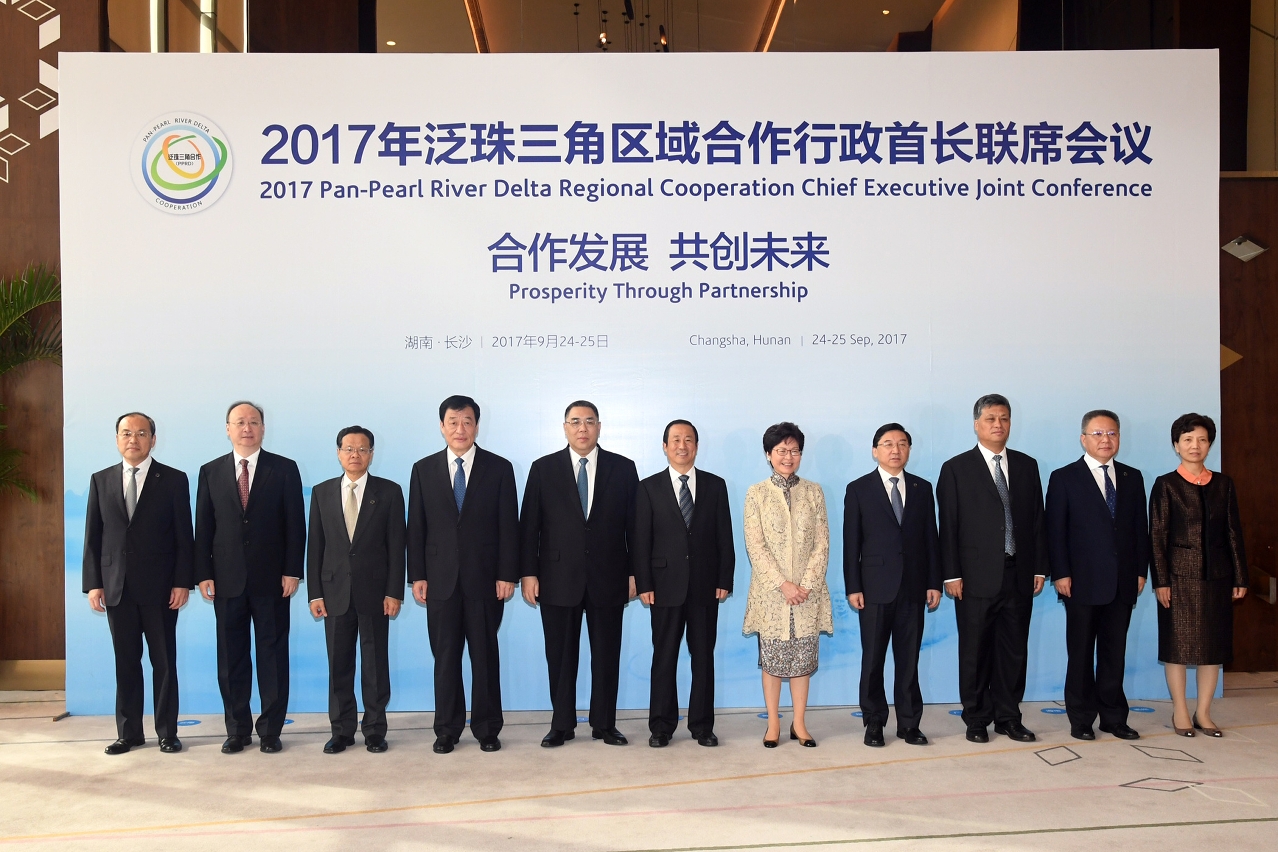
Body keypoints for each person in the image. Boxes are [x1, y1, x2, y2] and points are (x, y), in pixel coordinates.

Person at [520, 400, 639, 747]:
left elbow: (635, 527)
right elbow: (530, 526)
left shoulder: (623, 468)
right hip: (557, 577)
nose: (582, 428)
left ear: (599, 427)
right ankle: (562, 724)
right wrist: (528, 573)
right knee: (560, 655)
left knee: (606, 654)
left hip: (610, 575)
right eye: (575, 422)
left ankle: (605, 724)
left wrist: (635, 574)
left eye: (589, 421)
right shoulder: (543, 469)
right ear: (565, 427)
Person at [408, 396, 519, 754]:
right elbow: (417, 527)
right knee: (445, 657)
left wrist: (507, 574)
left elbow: (508, 527)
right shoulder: (422, 469)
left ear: (476, 426)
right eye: (453, 421)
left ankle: (487, 728)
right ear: (442, 426)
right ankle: (447, 729)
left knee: (485, 656)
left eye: (467, 421)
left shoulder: (499, 468)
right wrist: (417, 575)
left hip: (486, 580)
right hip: (439, 581)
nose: (460, 429)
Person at [195, 401, 306, 754]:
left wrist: (292, 570)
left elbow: (295, 525)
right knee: (231, 659)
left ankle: (271, 730)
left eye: (254, 422)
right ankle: (237, 729)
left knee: (273, 657)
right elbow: (204, 527)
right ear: (227, 428)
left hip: (273, 580)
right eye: (240, 422)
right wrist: (203, 574)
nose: (247, 428)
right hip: (226, 581)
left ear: (263, 428)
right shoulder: (210, 471)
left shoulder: (284, 469)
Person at [937, 394, 1048, 744]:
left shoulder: (1028, 465)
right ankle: (975, 719)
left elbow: (1036, 521)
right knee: (975, 651)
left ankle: (1009, 717)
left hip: (1019, 573)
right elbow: (949, 525)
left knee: (1014, 650)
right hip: (973, 578)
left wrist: (1040, 567)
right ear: (976, 424)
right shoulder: (955, 468)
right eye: (990, 419)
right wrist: (951, 573)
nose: (997, 424)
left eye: (1004, 418)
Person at [82, 413, 194, 755]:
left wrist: (182, 583)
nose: (134, 439)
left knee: (163, 663)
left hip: (161, 589)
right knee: (125, 662)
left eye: (141, 433)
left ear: (153, 439)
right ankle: (128, 733)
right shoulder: (101, 480)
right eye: (127, 433)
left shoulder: (174, 480)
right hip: (117, 587)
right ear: (117, 439)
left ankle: (167, 732)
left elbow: (183, 537)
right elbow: (93, 535)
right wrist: (94, 584)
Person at [1045, 410, 1149, 741]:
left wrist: (1139, 571)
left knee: (1113, 653)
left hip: (1122, 582)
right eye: (1098, 433)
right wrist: (1060, 573)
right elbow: (1055, 531)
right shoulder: (1064, 477)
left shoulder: (1133, 477)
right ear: (1084, 438)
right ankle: (1081, 718)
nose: (1106, 440)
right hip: (1080, 582)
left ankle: (1114, 718)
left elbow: (1139, 531)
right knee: (1080, 654)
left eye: (1112, 433)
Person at [633, 419, 735, 748]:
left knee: (702, 657)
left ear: (696, 446)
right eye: (675, 439)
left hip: (706, 586)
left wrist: (725, 578)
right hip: (663, 586)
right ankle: (661, 725)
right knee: (664, 657)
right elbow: (640, 541)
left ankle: (702, 725)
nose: (682, 445)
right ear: (665, 446)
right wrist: (644, 583)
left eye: (688, 439)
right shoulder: (648, 487)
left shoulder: (715, 486)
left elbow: (725, 537)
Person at [307, 425, 406, 754]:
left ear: (371, 454)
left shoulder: (389, 492)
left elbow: (396, 547)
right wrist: (315, 594)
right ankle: (341, 730)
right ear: (338, 453)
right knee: (339, 664)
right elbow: (315, 547)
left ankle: (375, 729)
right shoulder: (321, 493)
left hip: (376, 593)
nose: (355, 454)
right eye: (348, 448)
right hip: (334, 593)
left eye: (362, 449)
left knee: (375, 664)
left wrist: (394, 592)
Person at [1149, 413, 1248, 737]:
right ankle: (1180, 711)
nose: (1195, 446)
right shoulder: (1166, 484)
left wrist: (1240, 577)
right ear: (1176, 445)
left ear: (1210, 445)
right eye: (1188, 439)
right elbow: (1157, 537)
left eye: (1202, 440)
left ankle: (1204, 713)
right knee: (1177, 648)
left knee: (1213, 649)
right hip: (1178, 579)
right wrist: (1161, 581)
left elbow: (1234, 533)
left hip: (1218, 578)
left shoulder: (1224, 484)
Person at [843, 423, 941, 748]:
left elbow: (931, 539)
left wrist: (933, 582)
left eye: (901, 444)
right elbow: (851, 543)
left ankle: (910, 724)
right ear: (875, 450)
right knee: (873, 659)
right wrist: (853, 586)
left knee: (908, 659)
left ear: (909, 450)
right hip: (873, 588)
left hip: (914, 587)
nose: (895, 449)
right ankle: (874, 722)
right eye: (887, 444)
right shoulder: (858, 489)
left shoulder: (922, 488)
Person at [742, 422, 832, 748]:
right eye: (781, 450)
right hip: (771, 594)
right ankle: (773, 724)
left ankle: (800, 723)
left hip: (807, 594)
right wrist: (783, 585)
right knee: (774, 661)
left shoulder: (813, 491)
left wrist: (805, 584)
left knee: (802, 661)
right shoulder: (756, 493)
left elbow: (822, 543)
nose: (788, 456)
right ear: (769, 455)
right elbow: (756, 545)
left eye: (794, 450)